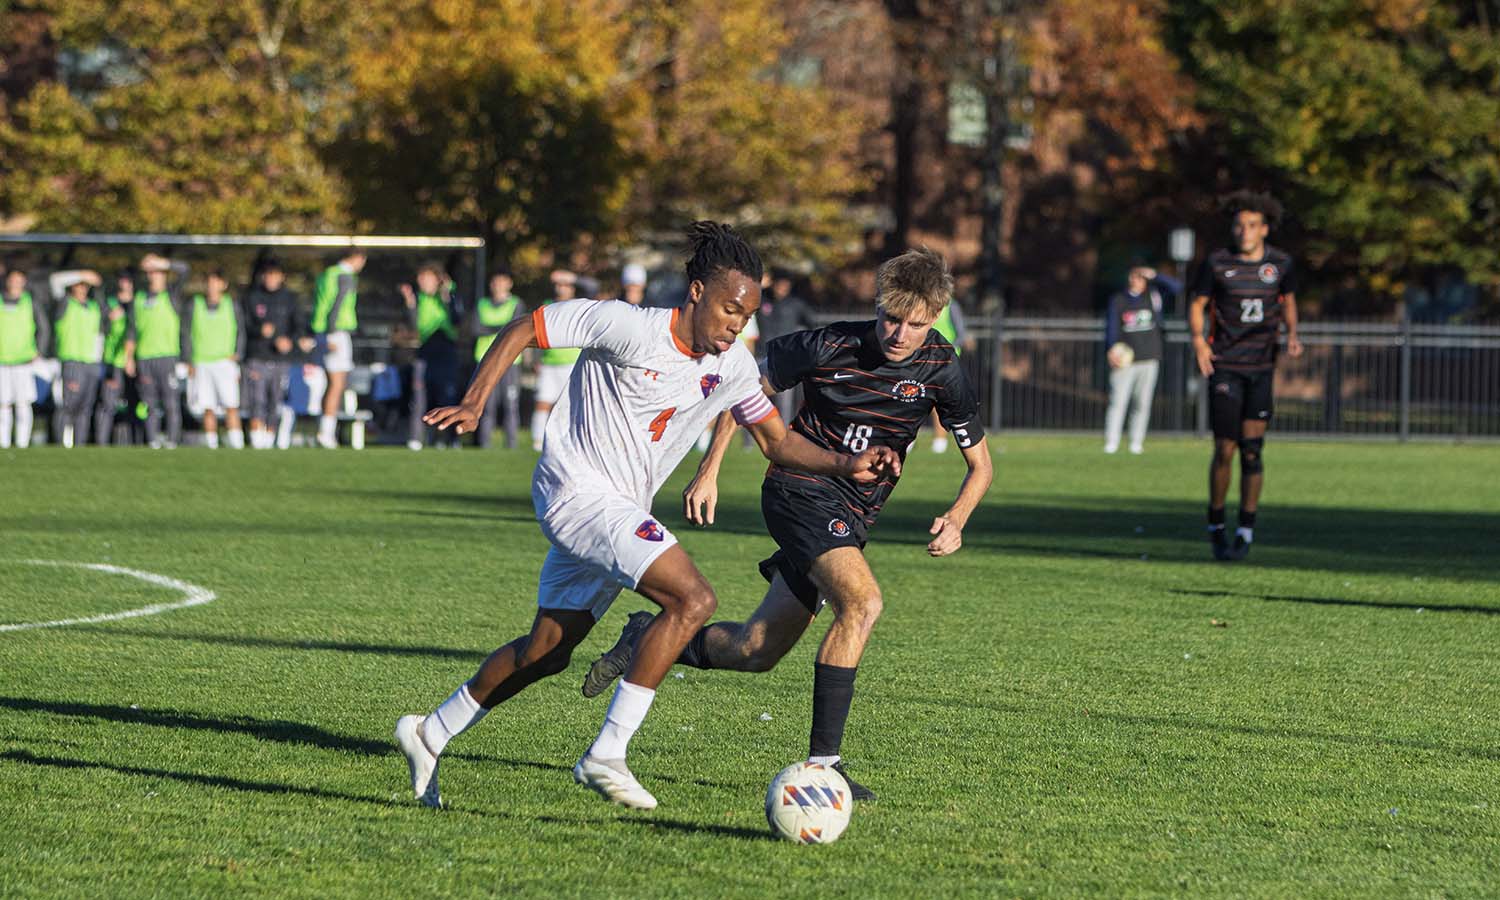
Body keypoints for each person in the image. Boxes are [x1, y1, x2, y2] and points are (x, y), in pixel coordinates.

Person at [394, 222, 900, 812]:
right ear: (697, 292)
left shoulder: (734, 366)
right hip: (576, 491)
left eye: (746, 315)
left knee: (548, 651)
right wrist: (475, 400)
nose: (736, 325)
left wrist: (846, 463)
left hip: (619, 510)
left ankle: (430, 732)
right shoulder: (626, 325)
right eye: (729, 310)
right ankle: (607, 753)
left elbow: (776, 441)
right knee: (693, 599)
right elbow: (525, 328)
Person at [582, 247, 992, 802]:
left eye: (915, 324)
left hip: (855, 515)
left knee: (755, 649)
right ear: (877, 306)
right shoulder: (828, 344)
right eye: (891, 318)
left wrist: (958, 518)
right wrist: (710, 469)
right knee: (863, 604)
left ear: (935, 318)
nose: (899, 334)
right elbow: (740, 391)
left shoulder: (942, 367)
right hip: (798, 491)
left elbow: (981, 466)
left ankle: (646, 640)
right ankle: (825, 766)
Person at [1189, 190, 1303, 561]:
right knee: (1225, 448)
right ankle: (1216, 522)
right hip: (1225, 365)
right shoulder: (1217, 263)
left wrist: (1292, 334)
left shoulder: (1281, 264)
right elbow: (1197, 304)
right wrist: (1198, 341)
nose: (1245, 231)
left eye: (1252, 225)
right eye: (1240, 225)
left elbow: (1289, 302)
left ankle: (1246, 528)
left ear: (1265, 229)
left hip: (1261, 368)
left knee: (1252, 451)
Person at [1102, 260, 1176, 455]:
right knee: (1118, 401)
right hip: (1125, 359)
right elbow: (1111, 327)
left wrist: (1155, 275)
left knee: (1142, 403)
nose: (1136, 280)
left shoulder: (1154, 296)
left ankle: (1136, 442)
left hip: (1149, 357)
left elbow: (1177, 287)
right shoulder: (1119, 299)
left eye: (1140, 277)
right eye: (1134, 276)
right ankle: (1112, 442)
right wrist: (1111, 349)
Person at [242, 258, 308, 450]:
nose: (271, 278)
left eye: (275, 275)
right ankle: (256, 438)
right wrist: (259, 331)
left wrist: (289, 341)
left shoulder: (290, 299)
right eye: (268, 274)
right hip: (257, 356)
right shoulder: (252, 297)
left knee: (275, 400)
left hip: (280, 359)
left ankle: (270, 437)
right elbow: (244, 325)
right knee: (257, 399)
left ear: (281, 277)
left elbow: (299, 327)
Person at [401, 262, 462, 450]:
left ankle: (449, 438)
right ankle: (416, 438)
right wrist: (410, 306)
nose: (422, 282)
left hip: (446, 350)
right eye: (421, 278)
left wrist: (447, 297)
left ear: (437, 279)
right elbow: (413, 327)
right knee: (418, 395)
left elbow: (457, 319)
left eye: (427, 278)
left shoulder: (448, 295)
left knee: (447, 395)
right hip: (425, 350)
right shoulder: (417, 299)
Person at [183, 270, 246, 449]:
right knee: (207, 406)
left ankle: (236, 444)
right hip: (202, 362)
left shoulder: (231, 304)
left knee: (231, 404)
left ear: (223, 285)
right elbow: (186, 333)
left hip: (225, 362)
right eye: (209, 282)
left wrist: (238, 353)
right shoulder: (195, 304)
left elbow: (241, 330)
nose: (211, 286)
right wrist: (188, 359)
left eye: (215, 282)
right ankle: (211, 444)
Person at [310, 247, 366, 449]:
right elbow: (336, 304)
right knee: (336, 383)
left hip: (324, 330)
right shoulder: (345, 276)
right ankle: (325, 433)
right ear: (358, 258)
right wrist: (332, 332)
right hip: (336, 332)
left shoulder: (327, 273)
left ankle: (325, 429)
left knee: (331, 383)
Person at [48, 269, 110, 448]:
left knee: (85, 408)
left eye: (85, 285)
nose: (82, 288)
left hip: (91, 363)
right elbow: (55, 280)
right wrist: (81, 274)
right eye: (79, 284)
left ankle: (79, 446)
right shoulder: (65, 303)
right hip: (72, 361)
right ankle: (61, 445)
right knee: (68, 406)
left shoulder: (94, 307)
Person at [133, 254, 186, 449]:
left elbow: (184, 270)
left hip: (167, 357)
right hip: (145, 358)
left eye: (157, 272)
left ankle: (172, 440)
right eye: (150, 272)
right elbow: (132, 330)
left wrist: (162, 262)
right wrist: (130, 357)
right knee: (149, 403)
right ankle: (152, 440)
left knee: (171, 402)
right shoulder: (140, 298)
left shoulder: (171, 295)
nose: (153, 276)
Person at [471, 270, 526, 449]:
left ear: (509, 283)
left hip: (510, 361)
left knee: (510, 405)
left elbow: (516, 327)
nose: (498, 285)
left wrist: (494, 328)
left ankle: (511, 445)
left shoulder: (516, 304)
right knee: (487, 406)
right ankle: (484, 445)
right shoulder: (482, 304)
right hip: (485, 360)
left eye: (502, 281)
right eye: (495, 281)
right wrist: (503, 327)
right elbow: (476, 329)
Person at [0, 266, 50, 449]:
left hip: (24, 361)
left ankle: (22, 444)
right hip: (2, 361)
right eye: (12, 280)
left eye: (19, 280)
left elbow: (44, 328)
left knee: (23, 403)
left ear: (24, 282)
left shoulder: (31, 302)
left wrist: (39, 351)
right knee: (3, 404)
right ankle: (3, 443)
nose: (15, 283)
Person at [757, 268, 816, 423]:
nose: (782, 288)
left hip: (784, 359)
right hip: (760, 355)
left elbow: (812, 325)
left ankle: (783, 431)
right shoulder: (760, 300)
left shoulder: (796, 304)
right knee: (755, 399)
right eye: (779, 284)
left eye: (785, 285)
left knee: (784, 404)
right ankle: (750, 436)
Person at [531, 269, 580, 451]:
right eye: (559, 285)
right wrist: (536, 359)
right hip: (549, 363)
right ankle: (537, 441)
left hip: (571, 363)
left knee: (569, 406)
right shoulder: (547, 306)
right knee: (542, 402)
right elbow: (536, 333)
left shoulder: (579, 307)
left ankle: (568, 440)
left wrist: (572, 276)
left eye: (566, 285)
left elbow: (593, 287)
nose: (561, 289)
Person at [924, 297, 976, 453]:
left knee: (938, 400)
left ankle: (940, 440)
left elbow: (961, 334)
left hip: (946, 361)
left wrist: (946, 350)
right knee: (917, 396)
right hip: (924, 358)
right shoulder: (921, 304)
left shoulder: (951, 306)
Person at [95, 270, 137, 446]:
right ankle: (102, 443)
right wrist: (108, 319)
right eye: (122, 280)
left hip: (136, 361)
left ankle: (137, 442)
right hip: (114, 361)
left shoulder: (138, 303)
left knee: (137, 405)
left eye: (128, 280)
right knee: (108, 404)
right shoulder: (110, 304)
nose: (124, 284)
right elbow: (100, 330)